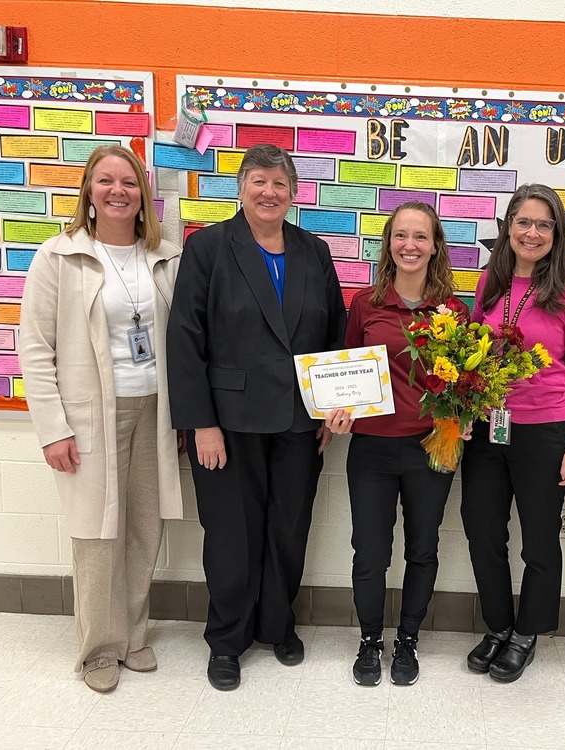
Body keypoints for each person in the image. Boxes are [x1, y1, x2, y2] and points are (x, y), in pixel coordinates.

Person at [166, 144, 346, 691]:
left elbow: (334, 330)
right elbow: (186, 337)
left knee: (288, 529)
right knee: (230, 534)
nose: (269, 192)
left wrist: (332, 405)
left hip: (298, 422)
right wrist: (202, 423)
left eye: (280, 183)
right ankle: (227, 639)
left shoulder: (313, 251)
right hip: (229, 422)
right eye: (259, 181)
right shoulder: (209, 248)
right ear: (241, 187)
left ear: (294, 194)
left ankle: (278, 624)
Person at [19, 145, 183, 693]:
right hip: (92, 414)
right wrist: (53, 428)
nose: (118, 191)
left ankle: (133, 636)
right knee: (97, 533)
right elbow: (35, 347)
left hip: (155, 408)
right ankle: (97, 649)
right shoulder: (59, 256)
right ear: (88, 192)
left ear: (143, 195)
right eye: (106, 181)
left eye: (129, 182)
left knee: (144, 526)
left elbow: (184, 339)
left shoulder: (164, 255)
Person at [324, 201, 469, 686]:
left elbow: (465, 381)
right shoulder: (366, 303)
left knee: (423, 549)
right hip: (371, 448)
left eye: (420, 237)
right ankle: (369, 641)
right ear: (389, 243)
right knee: (369, 551)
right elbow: (344, 373)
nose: (410, 245)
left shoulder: (453, 310)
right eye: (401, 235)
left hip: (433, 448)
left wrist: (465, 416)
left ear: (435, 246)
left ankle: (407, 640)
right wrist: (337, 414)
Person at [459, 184, 565, 683]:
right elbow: (473, 347)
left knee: (539, 540)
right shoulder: (489, 283)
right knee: (481, 530)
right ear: (508, 228)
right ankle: (498, 626)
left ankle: (526, 632)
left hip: (544, 431)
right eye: (523, 221)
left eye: (544, 224)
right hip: (487, 430)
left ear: (557, 234)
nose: (532, 232)